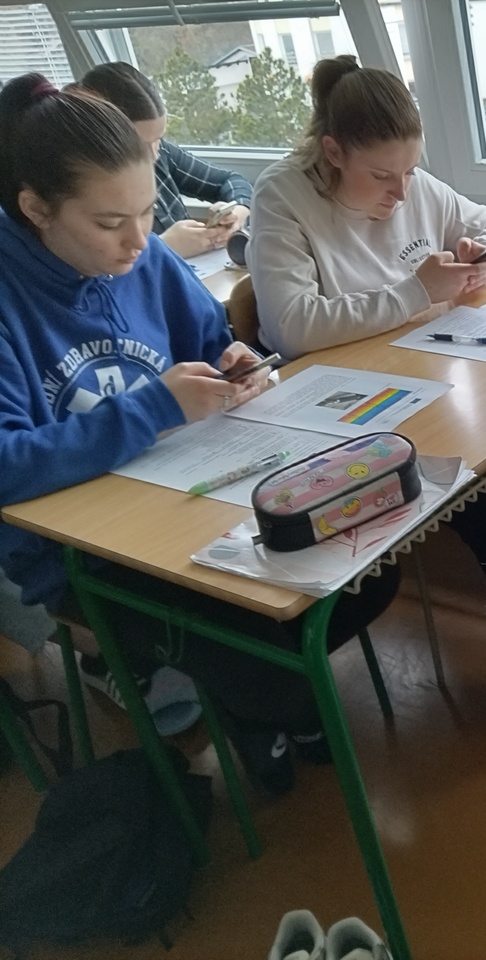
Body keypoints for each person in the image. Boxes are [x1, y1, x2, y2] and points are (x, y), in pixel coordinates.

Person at [0, 74, 399, 795]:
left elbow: (209, 343)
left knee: (369, 566)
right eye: (109, 223)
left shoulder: (146, 257)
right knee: (257, 651)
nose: (138, 241)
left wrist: (233, 365)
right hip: (80, 550)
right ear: (36, 209)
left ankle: (259, 698)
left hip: (190, 485)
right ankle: (268, 704)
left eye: (147, 212)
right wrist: (154, 408)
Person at [248, 55, 486, 359]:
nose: (401, 193)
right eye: (380, 176)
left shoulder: (414, 186)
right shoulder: (282, 194)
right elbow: (291, 328)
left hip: (409, 359)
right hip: (335, 373)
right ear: (334, 153)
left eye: (410, 170)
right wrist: (418, 292)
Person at [76, 61, 252, 259]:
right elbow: (97, 266)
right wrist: (164, 246)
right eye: (140, 145)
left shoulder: (163, 153)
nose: (154, 155)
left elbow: (230, 180)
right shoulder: (88, 187)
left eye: (158, 139)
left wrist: (238, 212)